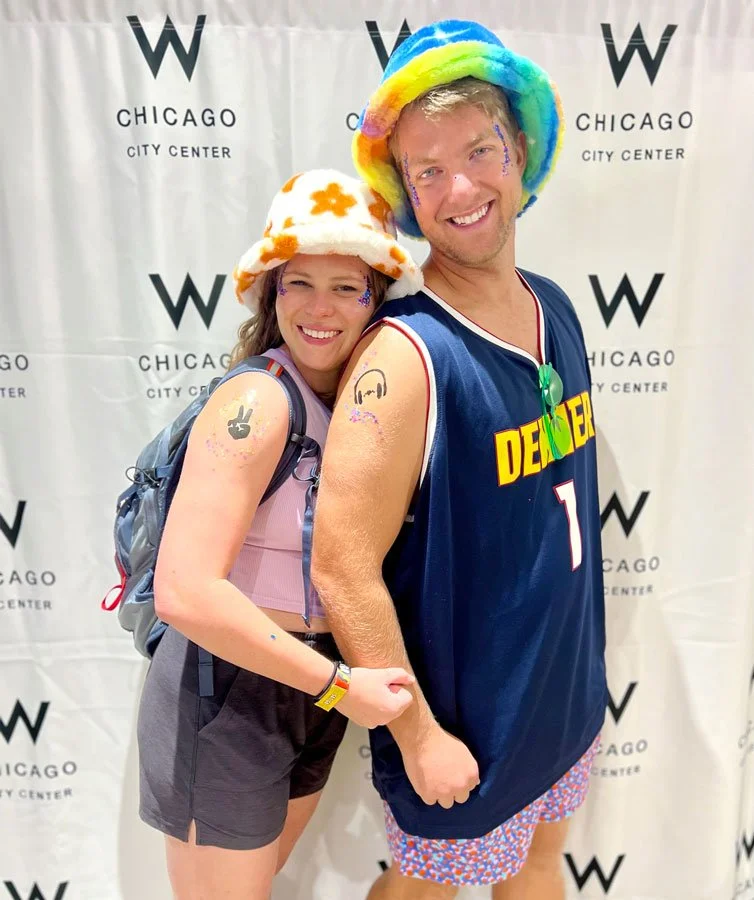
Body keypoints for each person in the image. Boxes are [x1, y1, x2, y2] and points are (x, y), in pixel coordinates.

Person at [311, 21, 608, 899]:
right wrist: (417, 736)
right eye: (428, 170)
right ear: (403, 192)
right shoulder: (405, 357)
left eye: (479, 151)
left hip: (563, 695)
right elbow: (342, 565)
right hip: (463, 733)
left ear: (518, 152)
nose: (461, 188)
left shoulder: (555, 306)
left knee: (543, 869)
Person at [136, 169, 424, 900]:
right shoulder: (259, 402)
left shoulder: (354, 405)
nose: (319, 308)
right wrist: (336, 688)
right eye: (299, 283)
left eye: (345, 287)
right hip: (227, 692)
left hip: (312, 685)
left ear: (375, 301)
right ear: (271, 293)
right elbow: (184, 591)